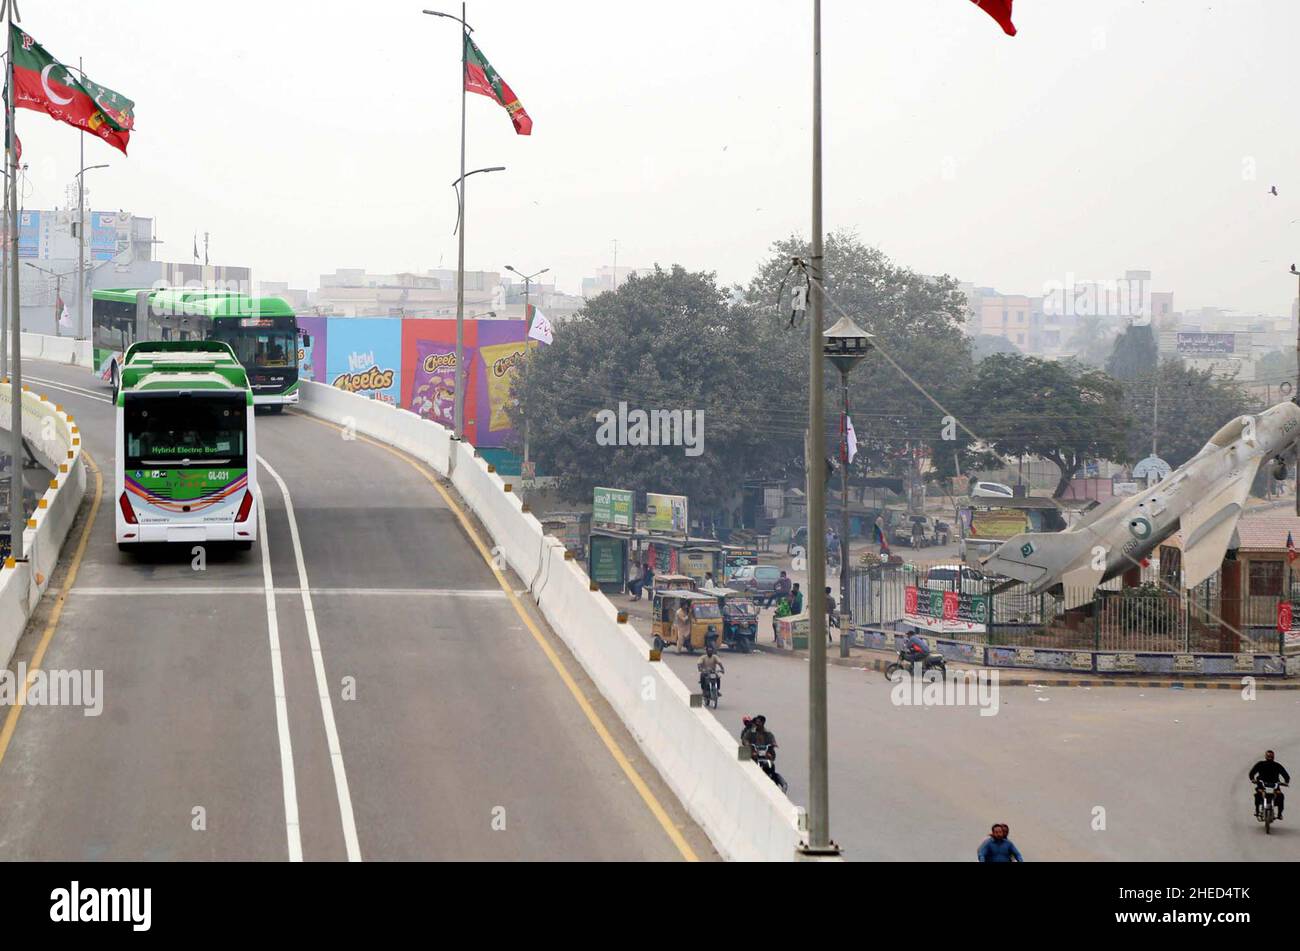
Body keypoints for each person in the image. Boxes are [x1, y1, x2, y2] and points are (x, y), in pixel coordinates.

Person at [1250, 750, 1291, 820]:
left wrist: (1286, 782)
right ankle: (1257, 810)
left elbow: (1286, 775)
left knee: (1280, 796)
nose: (1270, 758)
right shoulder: (1260, 764)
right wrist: (1253, 779)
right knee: (1258, 795)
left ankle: (1279, 814)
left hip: (1274, 785)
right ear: (1266, 756)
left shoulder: (1277, 765)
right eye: (1268, 756)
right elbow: (1252, 773)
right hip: (1262, 785)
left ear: (1273, 757)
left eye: (1271, 756)